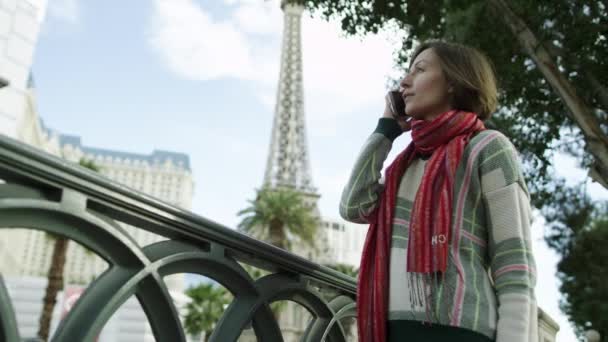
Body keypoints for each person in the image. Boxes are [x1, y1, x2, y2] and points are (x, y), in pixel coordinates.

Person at [339, 41, 537, 342]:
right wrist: (385, 131)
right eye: (407, 72)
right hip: (394, 331)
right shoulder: (403, 166)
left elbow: (514, 263)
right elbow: (354, 206)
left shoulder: (488, 148)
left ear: (454, 82)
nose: (404, 82)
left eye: (419, 70)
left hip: (461, 331)